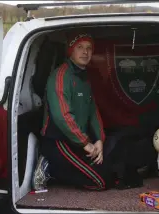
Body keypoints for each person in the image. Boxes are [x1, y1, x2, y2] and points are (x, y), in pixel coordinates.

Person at [32, 33, 113, 191]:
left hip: (77, 141)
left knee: (110, 171)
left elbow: (93, 112)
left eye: (89, 48)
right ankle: (50, 168)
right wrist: (85, 143)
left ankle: (59, 169)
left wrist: (99, 140)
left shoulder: (84, 78)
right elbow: (62, 116)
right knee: (101, 182)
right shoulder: (61, 75)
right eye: (80, 47)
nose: (85, 52)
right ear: (70, 51)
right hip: (58, 141)